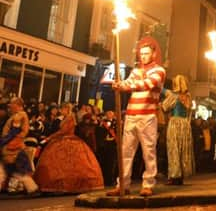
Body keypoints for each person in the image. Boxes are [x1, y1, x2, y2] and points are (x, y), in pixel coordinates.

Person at [107, 36, 166, 197]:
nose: (143, 56)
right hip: (132, 115)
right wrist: (118, 84)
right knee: (125, 152)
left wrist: (126, 86)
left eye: (146, 53)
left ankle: (148, 184)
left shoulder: (159, 71)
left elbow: (147, 84)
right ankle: (123, 184)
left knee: (148, 151)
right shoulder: (136, 71)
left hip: (147, 117)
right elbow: (127, 83)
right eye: (141, 54)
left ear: (153, 54)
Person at [34, 103, 103, 193]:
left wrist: (50, 137)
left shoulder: (70, 118)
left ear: (66, 109)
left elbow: (63, 131)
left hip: (68, 140)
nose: (61, 111)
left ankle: (71, 184)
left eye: (62, 109)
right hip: (62, 139)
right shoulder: (64, 118)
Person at [0, 97, 38, 195]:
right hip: (13, 146)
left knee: (15, 169)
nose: (10, 107)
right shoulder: (18, 115)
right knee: (12, 169)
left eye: (12, 104)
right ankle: (31, 187)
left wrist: (3, 141)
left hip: (13, 147)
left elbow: (14, 132)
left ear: (18, 105)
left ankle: (32, 187)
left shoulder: (19, 116)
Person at [161, 74, 194, 185]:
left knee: (173, 149)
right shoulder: (188, 96)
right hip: (185, 124)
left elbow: (165, 107)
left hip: (175, 123)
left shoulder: (174, 96)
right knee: (183, 151)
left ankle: (175, 176)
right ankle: (181, 176)